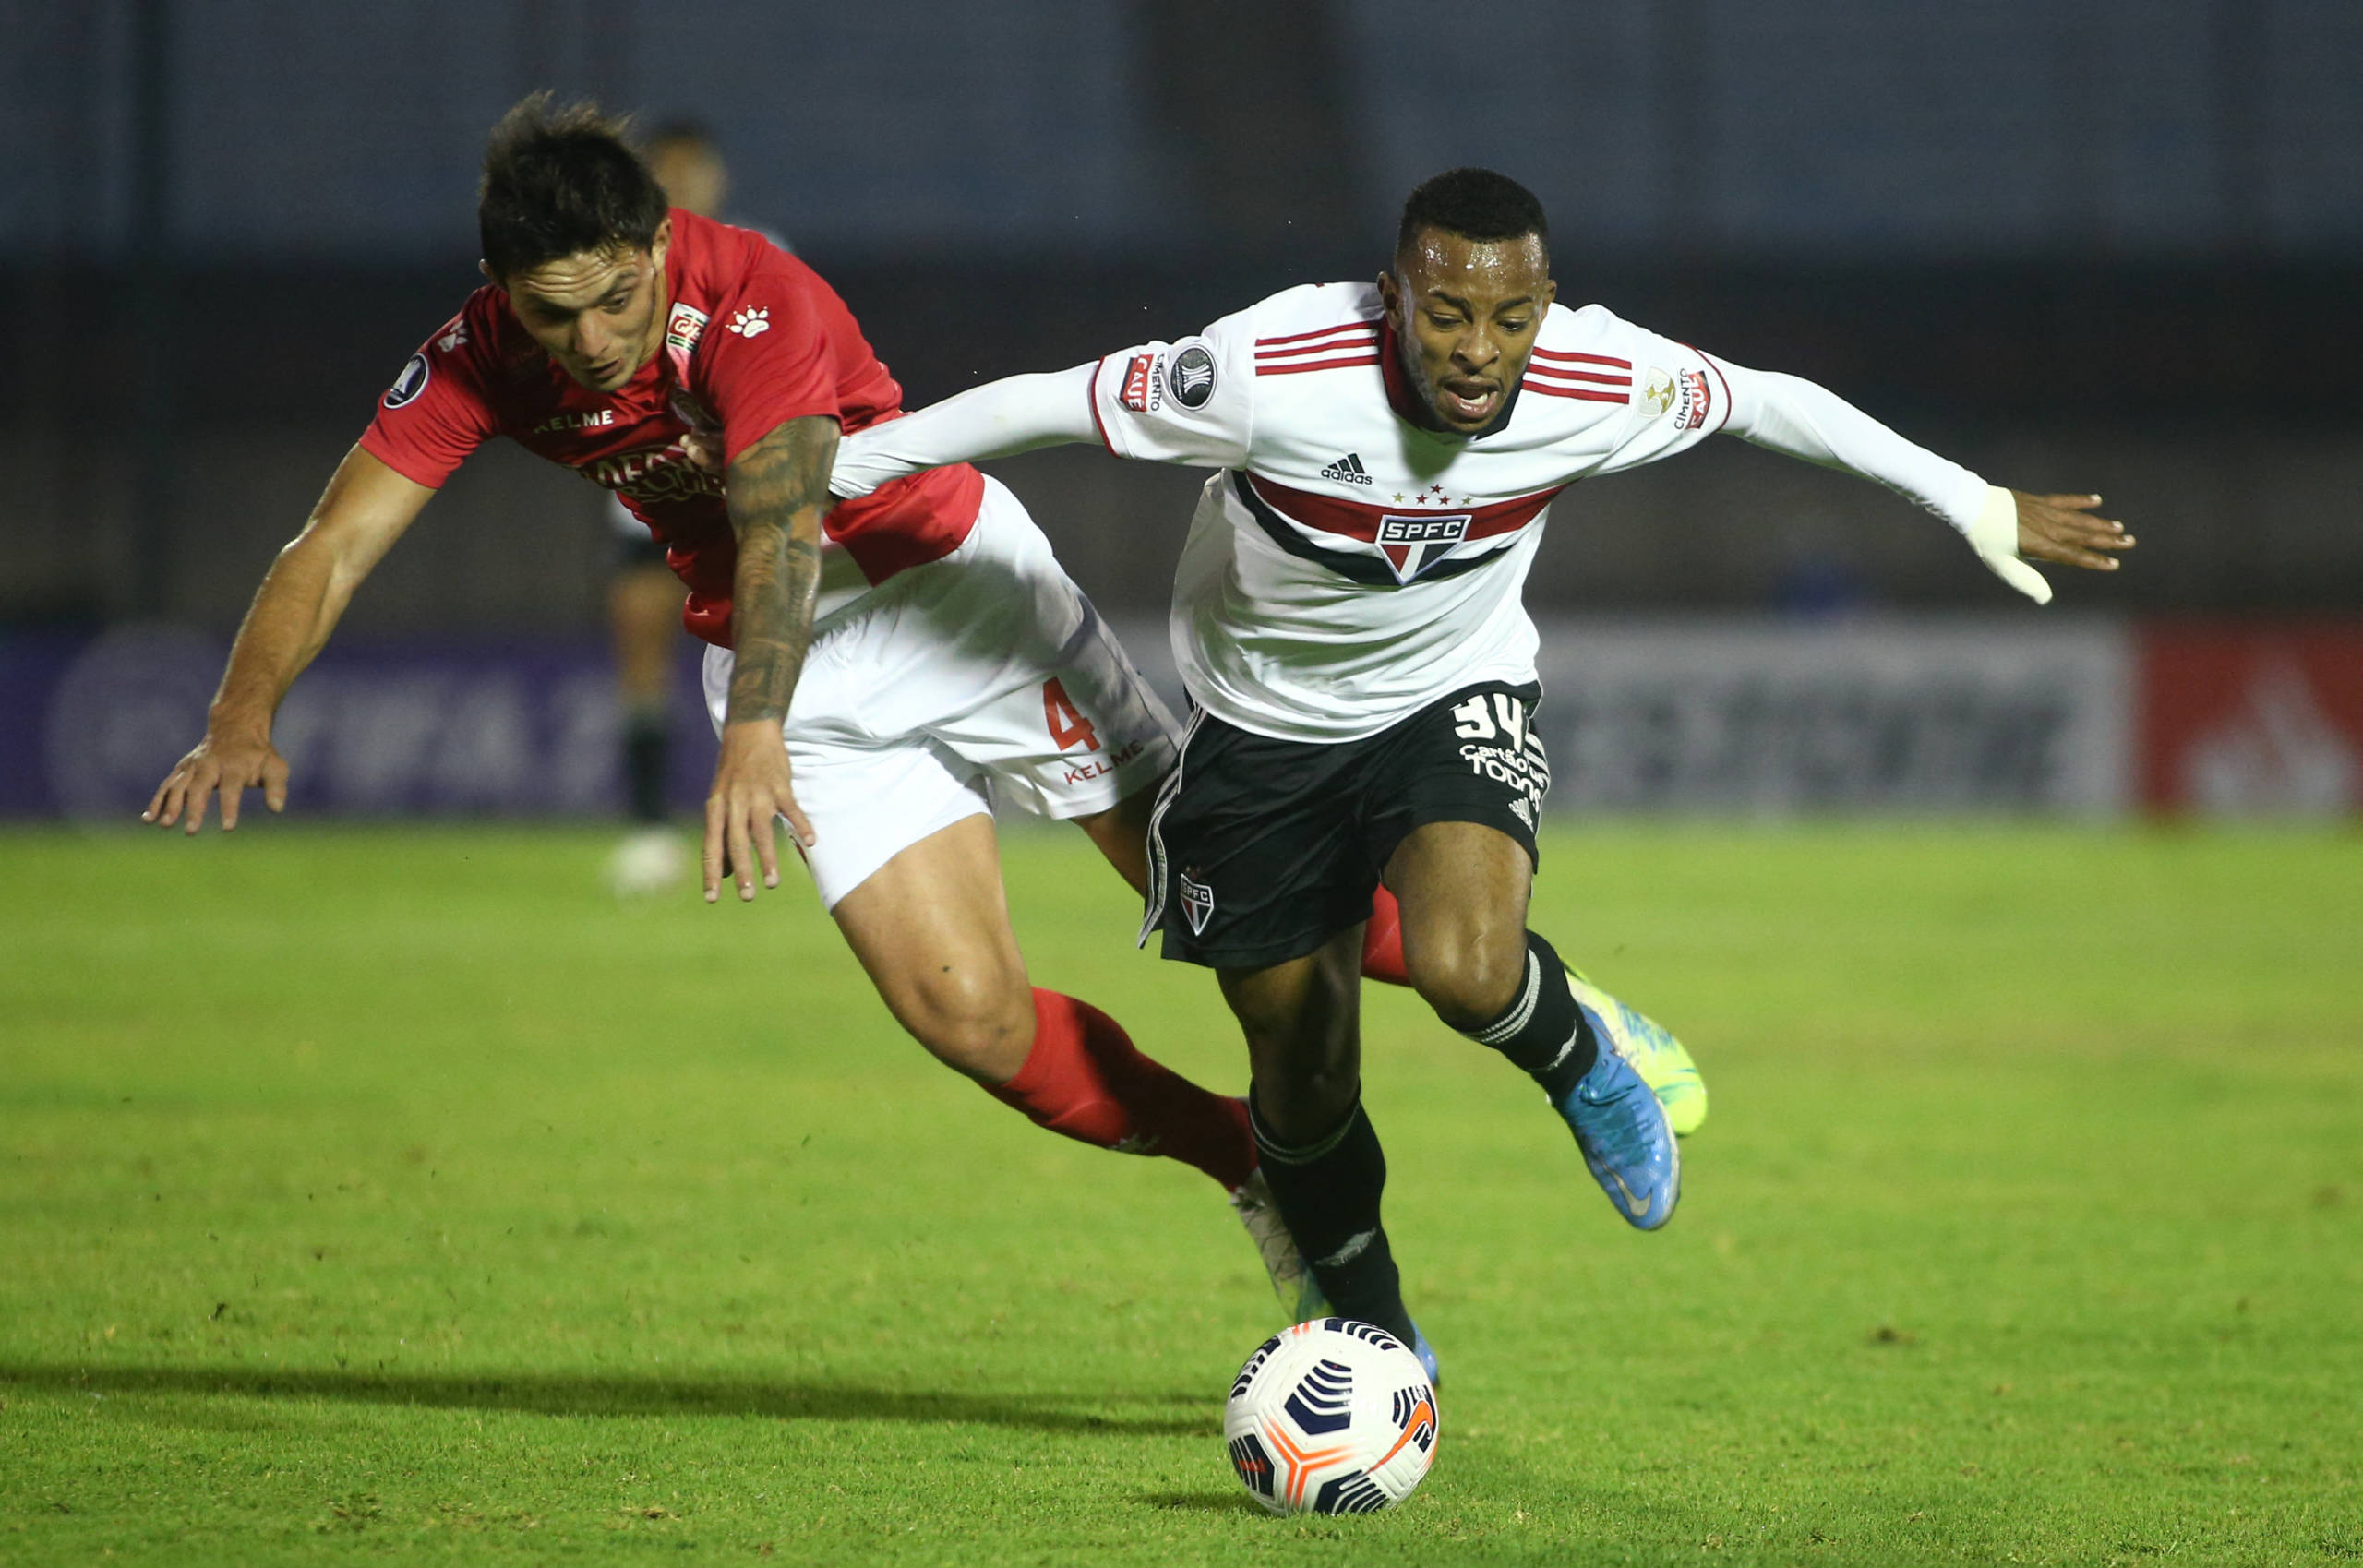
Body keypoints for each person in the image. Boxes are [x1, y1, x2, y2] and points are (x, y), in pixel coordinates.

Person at [827, 167, 2136, 1370]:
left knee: (1466, 960)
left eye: (1509, 319)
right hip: (1259, 729)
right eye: (1446, 314)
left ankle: (1583, 1064)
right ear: (1392, 295)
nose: (1477, 349)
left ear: (1544, 305)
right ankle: (1372, 1317)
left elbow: (1768, 399)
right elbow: (1043, 402)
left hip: (1449, 692)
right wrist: (841, 467)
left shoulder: (1600, 375)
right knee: (1300, 1064)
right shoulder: (1269, 367)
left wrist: (1971, 500)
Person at [143, 94, 1352, 1316]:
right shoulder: (477, 354)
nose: (592, 339)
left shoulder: (755, 296)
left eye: (617, 298)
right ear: (501, 290)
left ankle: (1474, 973)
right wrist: (240, 717)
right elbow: (333, 542)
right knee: (969, 1017)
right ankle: (1250, 1162)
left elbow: (781, 529)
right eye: (553, 313)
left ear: (659, 241)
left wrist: (751, 732)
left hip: (953, 596)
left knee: (1224, 889)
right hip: (791, 668)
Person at [603, 120, 777, 895]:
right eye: (664, 170)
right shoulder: (612, 268)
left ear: (717, 177)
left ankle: (778, 811)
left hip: (745, 501)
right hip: (649, 500)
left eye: (692, 169)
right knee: (643, 661)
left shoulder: (760, 254)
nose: (680, 183)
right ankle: (646, 826)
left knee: (775, 653)